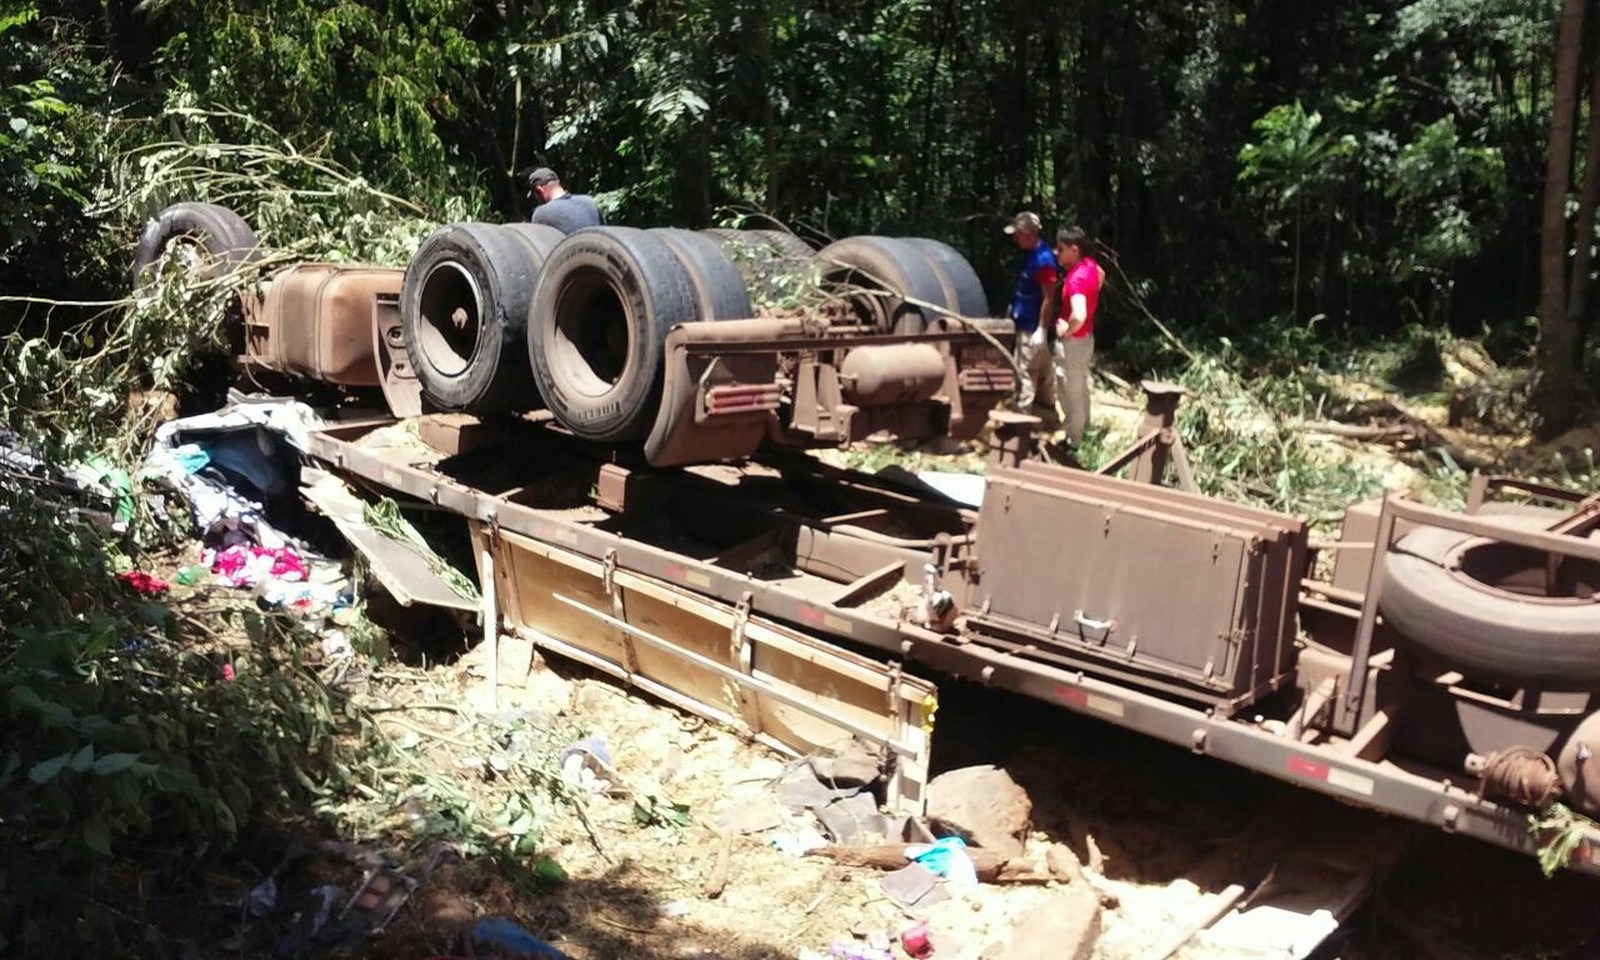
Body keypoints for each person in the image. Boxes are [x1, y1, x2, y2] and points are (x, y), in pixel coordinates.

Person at [1044, 225, 1104, 448]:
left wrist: (1066, 330)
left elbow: (1079, 314)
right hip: (1086, 339)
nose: (1055, 252)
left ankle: (1074, 440)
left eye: (1060, 249)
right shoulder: (1089, 266)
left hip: (1073, 342)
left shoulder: (1076, 279)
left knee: (1070, 391)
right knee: (1080, 386)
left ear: (1074, 250)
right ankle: (1085, 431)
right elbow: (1101, 275)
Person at [1003, 211, 1060, 417]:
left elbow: (1048, 297)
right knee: (1043, 370)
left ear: (1028, 234)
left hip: (1032, 327)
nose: (1015, 239)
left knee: (1025, 373)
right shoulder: (1030, 255)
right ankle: (1047, 412)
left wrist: (1042, 329)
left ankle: (1020, 421)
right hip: (1023, 321)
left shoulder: (1044, 260)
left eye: (1017, 235)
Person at [526, 167, 602, 233]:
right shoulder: (589, 202)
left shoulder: (542, 213)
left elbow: (539, 245)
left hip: (571, 250)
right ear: (558, 182)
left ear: (539, 191)